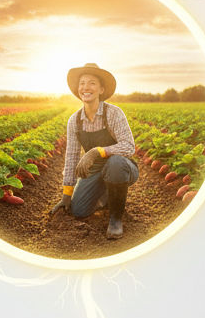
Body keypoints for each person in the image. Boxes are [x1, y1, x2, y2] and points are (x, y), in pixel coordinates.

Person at [50, 62, 139, 239]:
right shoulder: (74, 121)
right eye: (82, 83)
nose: (86, 87)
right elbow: (72, 157)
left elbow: (129, 146)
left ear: (101, 89)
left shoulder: (113, 113)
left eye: (92, 83)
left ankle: (115, 219)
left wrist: (95, 152)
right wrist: (66, 195)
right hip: (96, 170)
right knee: (79, 211)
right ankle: (105, 192)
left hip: (123, 167)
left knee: (115, 163)